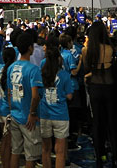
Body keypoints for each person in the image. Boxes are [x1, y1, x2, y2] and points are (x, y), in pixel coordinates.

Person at [81, 21, 117, 167]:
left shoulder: (87, 50)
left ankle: (99, 156)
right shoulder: (110, 48)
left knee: (97, 123)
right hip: (109, 87)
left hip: (95, 88)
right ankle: (115, 154)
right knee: (111, 122)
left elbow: (86, 69)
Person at [8, 31, 43, 168]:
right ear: (30, 48)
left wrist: (12, 110)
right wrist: (33, 113)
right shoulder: (33, 69)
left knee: (15, 152)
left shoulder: (11, 67)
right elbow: (35, 96)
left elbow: (9, 92)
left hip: (15, 113)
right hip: (28, 117)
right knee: (31, 156)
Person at [39, 33, 73, 168]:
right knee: (60, 151)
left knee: (45, 149)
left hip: (45, 113)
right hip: (61, 115)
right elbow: (70, 96)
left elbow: (39, 92)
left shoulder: (42, 70)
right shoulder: (64, 75)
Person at [0, 47, 17, 168]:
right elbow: (10, 93)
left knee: (4, 141)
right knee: (8, 142)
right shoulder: (12, 70)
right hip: (8, 111)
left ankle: (5, 164)